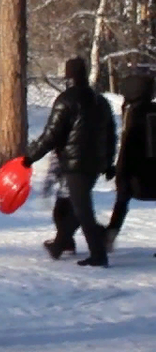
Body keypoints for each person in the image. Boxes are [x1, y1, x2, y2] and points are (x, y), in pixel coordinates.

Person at [22, 57, 116, 267]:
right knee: (77, 207)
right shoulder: (100, 101)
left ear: (68, 76)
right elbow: (111, 135)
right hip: (94, 164)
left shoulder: (66, 100)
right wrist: (109, 163)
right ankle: (60, 244)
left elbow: (51, 135)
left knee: (82, 210)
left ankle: (98, 254)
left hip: (75, 165)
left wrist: (31, 157)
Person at [106, 74, 156, 250]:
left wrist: (119, 169)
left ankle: (109, 237)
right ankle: (109, 236)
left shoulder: (133, 112)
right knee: (122, 200)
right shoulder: (150, 109)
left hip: (134, 170)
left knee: (121, 200)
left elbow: (128, 145)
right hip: (150, 168)